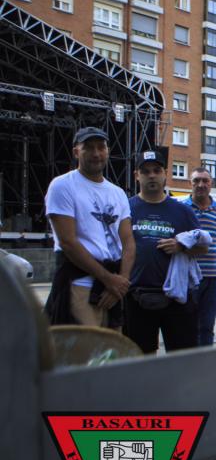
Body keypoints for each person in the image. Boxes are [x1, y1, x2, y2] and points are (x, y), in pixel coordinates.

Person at [43, 127, 134, 328]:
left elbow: (128, 241)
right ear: (76, 152)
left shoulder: (117, 193)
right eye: (89, 148)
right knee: (84, 345)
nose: (96, 153)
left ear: (108, 151)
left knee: (112, 346)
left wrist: (121, 282)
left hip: (113, 288)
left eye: (101, 147)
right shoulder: (62, 185)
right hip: (80, 285)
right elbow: (68, 242)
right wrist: (109, 279)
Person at [124, 149, 206, 354]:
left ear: (165, 174)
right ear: (136, 175)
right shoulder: (125, 208)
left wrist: (181, 246)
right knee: (139, 359)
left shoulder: (183, 211)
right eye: (146, 171)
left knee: (182, 359)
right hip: (136, 297)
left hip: (176, 298)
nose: (151, 175)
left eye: (157, 170)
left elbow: (203, 247)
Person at [185, 168, 216, 346]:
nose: (201, 185)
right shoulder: (181, 208)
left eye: (205, 181)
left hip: (213, 278)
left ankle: (205, 359)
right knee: (186, 325)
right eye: (196, 181)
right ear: (190, 183)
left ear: (211, 184)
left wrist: (210, 251)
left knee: (207, 326)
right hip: (187, 277)